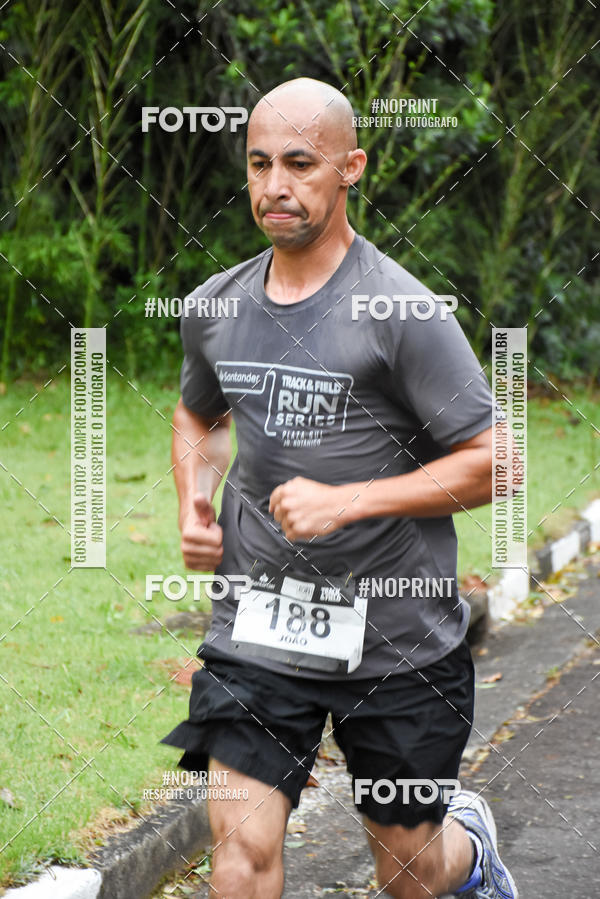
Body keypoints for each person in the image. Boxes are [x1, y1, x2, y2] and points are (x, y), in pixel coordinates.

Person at [161, 77, 518, 899]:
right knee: (240, 856)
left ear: (351, 166)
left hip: (396, 639)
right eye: (258, 164)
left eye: (299, 163)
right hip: (258, 629)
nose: (275, 186)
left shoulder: (402, 310)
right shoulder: (217, 305)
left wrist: (348, 499)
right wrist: (194, 498)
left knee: (409, 873)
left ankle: (471, 849)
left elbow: (498, 459)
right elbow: (198, 413)